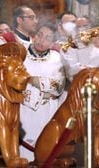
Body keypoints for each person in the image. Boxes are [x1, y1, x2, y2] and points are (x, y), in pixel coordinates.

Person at [19, 23, 67, 162]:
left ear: (52, 42)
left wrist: (34, 80)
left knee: (44, 151)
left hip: (46, 110)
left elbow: (58, 86)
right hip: (23, 109)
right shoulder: (21, 55)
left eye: (47, 38)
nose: (41, 40)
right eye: (40, 35)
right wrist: (44, 88)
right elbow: (16, 81)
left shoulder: (57, 58)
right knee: (23, 153)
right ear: (34, 35)